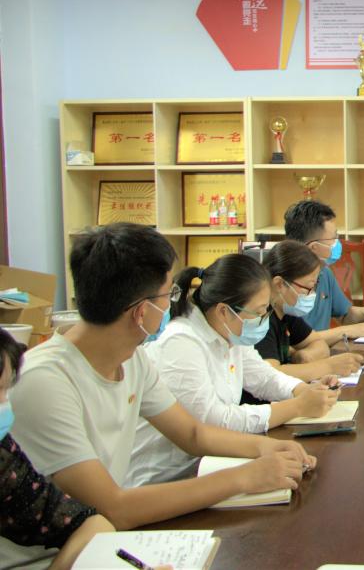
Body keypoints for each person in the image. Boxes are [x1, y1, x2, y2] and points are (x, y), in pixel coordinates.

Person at [10, 223, 315, 533]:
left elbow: (193, 434)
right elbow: (114, 509)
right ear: (141, 312)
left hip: (105, 529)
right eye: (169, 294)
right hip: (65, 547)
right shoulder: (44, 382)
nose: (174, 303)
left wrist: (266, 449)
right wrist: (244, 477)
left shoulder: (133, 359)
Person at [127, 253, 340, 487]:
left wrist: (302, 391)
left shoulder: (230, 330)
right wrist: (297, 406)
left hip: (208, 465)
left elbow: (263, 377)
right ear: (224, 311)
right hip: (164, 480)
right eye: (259, 312)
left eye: (266, 310)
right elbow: (213, 421)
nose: (264, 319)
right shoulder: (180, 342)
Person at [0, 329, 116, 570]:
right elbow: (115, 507)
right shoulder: (47, 375)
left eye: (5, 390)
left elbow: (93, 524)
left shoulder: (4, 458)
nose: (5, 404)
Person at [283, 200, 364, 348]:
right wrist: (348, 331)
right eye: (333, 238)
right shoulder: (282, 284)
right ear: (314, 247)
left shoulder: (324, 273)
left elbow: (344, 315)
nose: (338, 243)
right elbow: (297, 342)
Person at [255, 240, 364, 380]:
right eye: (308, 287)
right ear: (279, 284)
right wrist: (329, 367)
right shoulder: (259, 318)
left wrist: (302, 357)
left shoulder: (285, 311)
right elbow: (270, 375)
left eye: (315, 287)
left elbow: (319, 344)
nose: (312, 294)